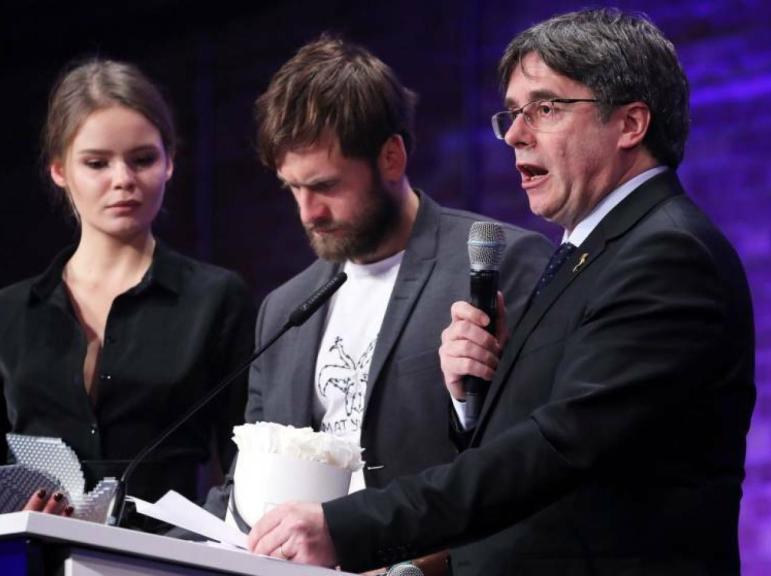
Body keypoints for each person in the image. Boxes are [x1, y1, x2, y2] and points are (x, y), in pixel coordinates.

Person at [247, 9, 756, 575]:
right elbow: (533, 441)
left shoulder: (666, 254)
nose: (514, 133)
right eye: (513, 113)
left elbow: (554, 450)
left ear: (630, 124)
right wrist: (471, 401)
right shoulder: (590, 253)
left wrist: (346, 527)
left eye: (544, 108)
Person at [200, 35, 552, 574]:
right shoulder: (284, 308)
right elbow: (245, 485)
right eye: (291, 188)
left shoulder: (501, 265)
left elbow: (526, 469)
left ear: (392, 156)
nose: (307, 212)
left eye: (324, 185)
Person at [0, 58, 253, 529]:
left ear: (170, 163)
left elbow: (245, 472)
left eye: (142, 159)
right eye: (97, 163)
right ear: (59, 170)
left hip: (165, 563)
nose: (122, 179)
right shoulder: (4, 315)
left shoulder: (216, 299)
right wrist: (11, 522)